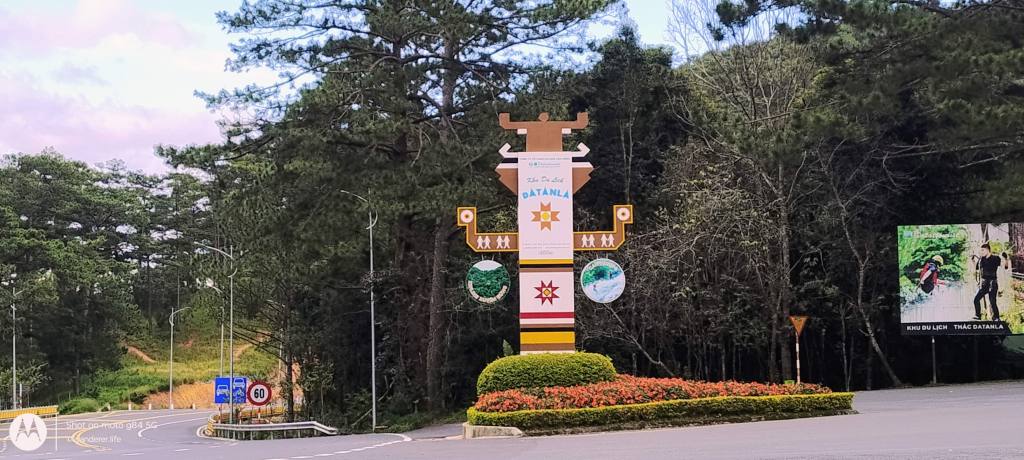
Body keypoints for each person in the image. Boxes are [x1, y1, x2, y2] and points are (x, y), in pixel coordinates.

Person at [971, 243, 1011, 321]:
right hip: (985, 284)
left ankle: (996, 317)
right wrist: (973, 260)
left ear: (987, 250)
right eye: (981, 250)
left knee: (992, 301)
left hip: (993, 283)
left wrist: (1006, 259)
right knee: (976, 299)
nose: (981, 252)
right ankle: (978, 315)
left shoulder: (995, 258)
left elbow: (1005, 266)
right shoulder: (982, 259)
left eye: (983, 250)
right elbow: (976, 268)